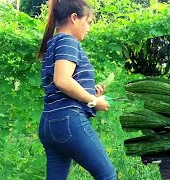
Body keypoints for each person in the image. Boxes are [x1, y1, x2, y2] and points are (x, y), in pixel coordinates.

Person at [37, 0, 116, 179]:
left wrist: (90, 93)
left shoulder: (53, 44)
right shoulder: (68, 41)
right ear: (74, 18)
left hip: (50, 123)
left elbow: (61, 84)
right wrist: (94, 101)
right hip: (68, 121)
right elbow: (62, 81)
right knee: (107, 175)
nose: (89, 28)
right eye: (88, 22)